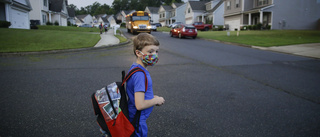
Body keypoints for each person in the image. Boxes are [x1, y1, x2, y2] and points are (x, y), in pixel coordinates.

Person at [127, 33, 165, 137]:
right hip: (138, 121)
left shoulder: (135, 68)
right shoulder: (140, 75)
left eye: (157, 51)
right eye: (150, 51)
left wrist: (152, 97)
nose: (155, 55)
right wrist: (156, 100)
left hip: (134, 117)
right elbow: (140, 105)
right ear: (138, 53)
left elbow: (138, 95)